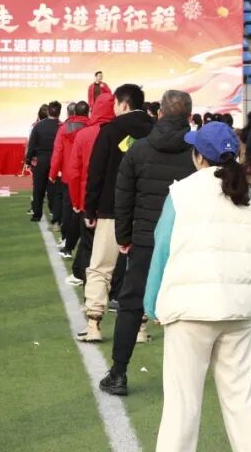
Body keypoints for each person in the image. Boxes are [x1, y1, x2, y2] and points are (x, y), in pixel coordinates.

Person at [145, 121, 251, 451]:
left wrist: (152, 304)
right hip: (237, 310)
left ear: (199, 156)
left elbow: (162, 249)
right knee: (241, 398)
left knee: (182, 405)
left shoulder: (182, 193)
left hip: (189, 311)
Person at [101, 90, 196, 396]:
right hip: (185, 240)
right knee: (186, 307)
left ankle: (118, 372)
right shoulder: (198, 154)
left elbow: (123, 197)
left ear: (159, 113)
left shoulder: (138, 150)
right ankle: (184, 378)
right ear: (189, 117)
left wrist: (124, 237)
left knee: (131, 304)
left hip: (146, 239)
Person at [78, 84, 152, 343]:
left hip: (112, 210)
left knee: (100, 267)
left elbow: (96, 172)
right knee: (142, 269)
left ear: (123, 104)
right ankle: (140, 327)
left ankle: (94, 324)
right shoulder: (154, 131)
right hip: (146, 212)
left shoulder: (110, 131)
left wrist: (90, 208)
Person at [67, 94, 115, 287]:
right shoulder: (121, 134)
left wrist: (76, 201)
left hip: (87, 196)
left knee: (88, 242)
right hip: (113, 198)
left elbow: (74, 172)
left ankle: (87, 280)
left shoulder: (84, 134)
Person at [51, 101, 89, 261]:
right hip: (87, 175)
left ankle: (67, 239)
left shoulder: (64, 129)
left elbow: (58, 152)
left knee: (69, 209)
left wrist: (53, 173)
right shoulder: (91, 128)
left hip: (69, 175)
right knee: (84, 210)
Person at [26, 101, 61, 223]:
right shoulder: (61, 126)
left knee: (38, 189)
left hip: (40, 161)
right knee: (54, 189)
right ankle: (55, 214)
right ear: (59, 112)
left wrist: (28, 160)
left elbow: (31, 145)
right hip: (56, 161)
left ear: (49, 111)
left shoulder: (38, 126)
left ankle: (37, 214)